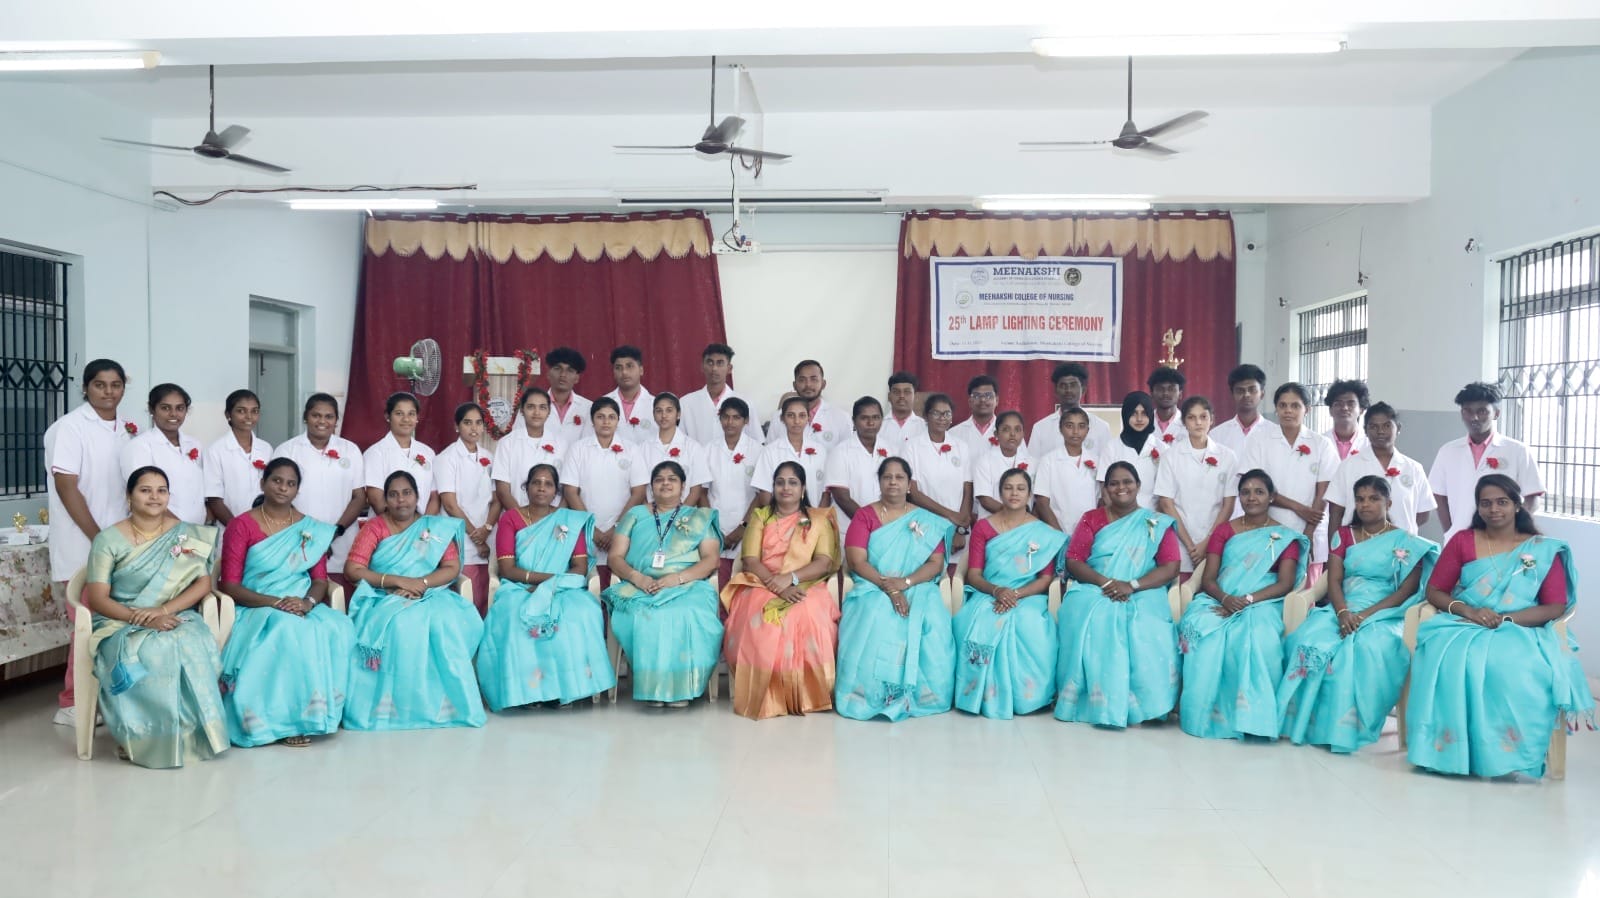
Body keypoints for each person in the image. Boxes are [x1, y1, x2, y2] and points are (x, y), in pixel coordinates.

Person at [1406, 474, 1592, 778]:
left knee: (1508, 665)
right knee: (1449, 658)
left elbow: (1554, 606)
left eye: (1502, 502)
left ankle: (1509, 752)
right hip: (1465, 623)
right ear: (1478, 507)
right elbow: (1435, 590)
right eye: (1486, 503)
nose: (1494, 509)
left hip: (1522, 628)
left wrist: (1506, 619)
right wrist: (1469, 611)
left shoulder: (1542, 549)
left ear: (1517, 505)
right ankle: (1451, 750)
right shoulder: (1463, 541)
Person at [1276, 476, 1437, 753]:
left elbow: (1405, 592)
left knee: (1364, 648)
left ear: (1388, 503)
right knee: (1308, 640)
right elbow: (1334, 580)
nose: (1365, 505)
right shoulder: (1344, 535)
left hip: (1386, 613)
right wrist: (1342, 612)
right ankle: (1305, 723)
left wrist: (1364, 616)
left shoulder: (1406, 541)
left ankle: (1346, 727)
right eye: (1360, 499)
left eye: (1373, 499)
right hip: (1343, 607)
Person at [81, 466, 228, 767]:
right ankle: (142, 737)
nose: (154, 497)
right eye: (145, 490)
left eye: (161, 490)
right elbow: (97, 598)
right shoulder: (108, 540)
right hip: (119, 620)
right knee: (153, 649)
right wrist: (144, 618)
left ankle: (191, 733)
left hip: (173, 613)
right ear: (129, 496)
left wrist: (162, 611)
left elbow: (202, 583)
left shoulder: (184, 533)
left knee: (191, 641)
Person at [216, 458, 355, 748]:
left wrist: (307, 603)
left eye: (291, 484)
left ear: (297, 490)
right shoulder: (242, 525)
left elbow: (319, 580)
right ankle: (285, 721)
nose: (283, 488)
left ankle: (325, 712)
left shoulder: (310, 528)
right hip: (258, 604)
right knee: (290, 630)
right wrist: (276, 602)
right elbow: (229, 585)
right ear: (263, 483)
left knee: (339, 626)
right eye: (277, 480)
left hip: (300, 602)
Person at [342, 471, 485, 730]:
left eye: (407, 493)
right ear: (385, 499)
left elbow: (452, 567)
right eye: (393, 495)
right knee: (401, 624)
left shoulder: (434, 528)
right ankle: (395, 710)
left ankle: (447, 708)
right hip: (384, 595)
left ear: (417, 496)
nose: (401, 500)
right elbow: (353, 569)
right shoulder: (375, 527)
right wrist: (397, 581)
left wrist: (421, 583)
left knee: (445, 622)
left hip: (430, 592)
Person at [1177, 469, 1309, 740]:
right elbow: (1209, 578)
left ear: (1271, 497)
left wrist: (1246, 601)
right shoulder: (1224, 531)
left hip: (1264, 601)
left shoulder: (1285, 536)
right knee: (1201, 628)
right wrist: (1226, 599)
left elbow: (1285, 583)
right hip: (1220, 596)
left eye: (1259, 492)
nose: (1251, 497)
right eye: (1246, 492)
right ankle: (1202, 714)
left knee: (1258, 636)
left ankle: (1255, 718)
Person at [476, 464, 615, 710]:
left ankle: (565, 690)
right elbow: (507, 569)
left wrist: (550, 585)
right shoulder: (511, 518)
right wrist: (541, 582)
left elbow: (580, 567)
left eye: (548, 484)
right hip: (520, 588)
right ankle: (529, 691)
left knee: (581, 612)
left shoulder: (569, 520)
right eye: (536, 483)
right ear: (526, 488)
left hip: (562, 588)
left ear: (556, 492)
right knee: (514, 614)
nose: (542, 488)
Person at [1056, 461, 1183, 727]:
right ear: (1105, 489)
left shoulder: (1155, 522)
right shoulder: (1091, 518)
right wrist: (1106, 582)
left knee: (1144, 621)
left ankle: (1148, 703)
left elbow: (1171, 566)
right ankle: (1097, 702)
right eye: (1114, 483)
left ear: (1138, 485)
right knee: (1092, 613)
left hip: (1143, 589)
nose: (1121, 488)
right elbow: (1074, 559)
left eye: (1127, 482)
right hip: (1095, 586)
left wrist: (1132, 585)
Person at [46, 359, 137, 726]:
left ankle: (107, 697)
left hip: (121, 545)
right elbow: (67, 488)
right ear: (85, 388)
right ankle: (72, 702)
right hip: (84, 545)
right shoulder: (69, 428)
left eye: (116, 385)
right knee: (87, 625)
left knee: (113, 626)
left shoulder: (127, 429)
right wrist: (100, 539)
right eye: (100, 385)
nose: (108, 392)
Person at [834, 457, 956, 721]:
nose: (893, 482)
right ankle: (866, 694)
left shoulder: (926, 520)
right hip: (873, 585)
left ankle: (925, 695)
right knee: (875, 614)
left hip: (917, 584)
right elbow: (857, 561)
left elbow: (935, 563)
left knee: (932, 619)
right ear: (879, 482)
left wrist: (906, 583)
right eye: (887, 477)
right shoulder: (864, 516)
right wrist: (889, 587)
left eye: (899, 477)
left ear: (909, 484)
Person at [720, 462, 840, 719]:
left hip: (805, 582)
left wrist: (791, 578)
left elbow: (823, 562)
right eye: (780, 482)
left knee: (807, 612)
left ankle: (807, 693)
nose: (786, 488)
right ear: (773, 487)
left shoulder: (818, 519)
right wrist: (776, 584)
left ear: (803, 488)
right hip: (761, 582)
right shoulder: (761, 516)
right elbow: (750, 559)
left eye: (793, 482)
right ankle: (766, 692)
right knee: (760, 616)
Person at [602, 461, 724, 707]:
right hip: (639, 586)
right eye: (659, 479)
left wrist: (677, 579)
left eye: (672, 479)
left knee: (685, 613)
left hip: (687, 585)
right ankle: (653, 688)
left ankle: (682, 688)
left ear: (683, 486)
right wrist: (638, 578)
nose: (665, 483)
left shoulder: (698, 517)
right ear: (651, 486)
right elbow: (615, 557)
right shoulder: (635, 515)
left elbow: (711, 559)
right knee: (645, 614)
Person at [953, 467, 1065, 719]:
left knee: (1028, 623)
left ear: (1029, 494)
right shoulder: (983, 527)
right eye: (1008, 488)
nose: (1014, 493)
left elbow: (1045, 578)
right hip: (988, 593)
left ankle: (1029, 698)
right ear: (1000, 492)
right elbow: (974, 575)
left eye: (1021, 488)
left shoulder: (1042, 531)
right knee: (977, 619)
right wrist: (997, 590)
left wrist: (1015, 594)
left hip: (1028, 595)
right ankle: (978, 695)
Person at [1240, 383, 1337, 581]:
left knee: (1306, 591)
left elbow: (1323, 493)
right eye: (1283, 405)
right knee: (1268, 586)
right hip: (1267, 527)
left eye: (1295, 406)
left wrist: (1308, 533)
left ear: (1307, 409)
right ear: (1276, 408)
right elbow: (1255, 489)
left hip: (1311, 527)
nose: (1288, 411)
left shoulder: (1321, 444)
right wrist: (1298, 508)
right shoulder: (1259, 440)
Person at [1429, 381, 1545, 540]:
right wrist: (1450, 530)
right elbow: (1439, 495)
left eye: (1482, 411)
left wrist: (1514, 529)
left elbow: (1532, 497)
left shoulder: (1517, 450)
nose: (1474, 417)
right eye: (1468, 411)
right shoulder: (1448, 451)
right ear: (1462, 414)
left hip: (1504, 539)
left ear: (1496, 413)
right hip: (1459, 538)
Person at [277, 394, 366, 591]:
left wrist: (334, 532)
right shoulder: (287, 450)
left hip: (342, 538)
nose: (322, 421)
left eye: (329, 416)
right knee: (300, 591)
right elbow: (279, 499)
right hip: (298, 538)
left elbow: (359, 496)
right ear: (305, 417)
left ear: (336, 421)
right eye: (316, 415)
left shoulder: (350, 450)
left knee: (342, 593)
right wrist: (311, 534)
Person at [560, 396, 648, 588]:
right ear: (592, 421)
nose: (606, 422)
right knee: (589, 584)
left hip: (624, 528)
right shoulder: (578, 449)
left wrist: (618, 528)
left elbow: (639, 492)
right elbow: (570, 491)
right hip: (586, 529)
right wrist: (592, 529)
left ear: (618, 421)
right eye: (600, 417)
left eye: (611, 417)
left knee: (620, 583)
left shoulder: (632, 450)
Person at [1154, 397, 1238, 576]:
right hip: (1180, 540)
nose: (1198, 422)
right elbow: (1166, 504)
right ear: (1184, 422)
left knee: (1213, 584)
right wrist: (1191, 546)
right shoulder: (1171, 456)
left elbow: (1228, 505)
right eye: (1191, 417)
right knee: (1181, 589)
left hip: (1215, 538)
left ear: (1212, 419)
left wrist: (1207, 542)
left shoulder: (1228, 457)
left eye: (1203, 417)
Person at [1325, 402, 1435, 534]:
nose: (1380, 431)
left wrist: (1396, 530)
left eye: (1387, 426)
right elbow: (1336, 513)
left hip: (1401, 543)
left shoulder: (1413, 468)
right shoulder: (1348, 466)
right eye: (1373, 426)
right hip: (1359, 542)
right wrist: (1334, 545)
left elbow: (1423, 513)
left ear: (1398, 428)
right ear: (1365, 430)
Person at [435, 402, 500, 614]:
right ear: (457, 426)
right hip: (462, 538)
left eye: (479, 423)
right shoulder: (446, 458)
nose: (474, 428)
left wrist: (487, 529)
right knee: (467, 598)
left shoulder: (489, 457)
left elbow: (497, 499)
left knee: (488, 597)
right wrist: (476, 537)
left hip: (487, 535)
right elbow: (450, 504)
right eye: (467, 423)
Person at [120, 383, 205, 524]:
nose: (173, 414)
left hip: (196, 529)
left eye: (180, 408)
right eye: (165, 408)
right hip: (158, 529)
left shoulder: (194, 444)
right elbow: (144, 496)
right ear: (151, 409)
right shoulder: (139, 447)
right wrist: (181, 528)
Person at [903, 393, 974, 563]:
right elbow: (913, 493)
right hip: (924, 525)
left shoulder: (961, 446)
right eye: (936, 413)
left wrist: (960, 529)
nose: (942, 418)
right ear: (926, 416)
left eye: (947, 413)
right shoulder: (912, 447)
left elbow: (967, 490)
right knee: (927, 568)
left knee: (955, 574)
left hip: (956, 529)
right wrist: (950, 515)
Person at [707, 398, 760, 586]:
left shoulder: (758, 450)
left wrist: (743, 527)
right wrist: (713, 526)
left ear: (746, 421)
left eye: (736, 418)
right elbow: (702, 492)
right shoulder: (708, 450)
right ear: (719, 418)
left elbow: (761, 496)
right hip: (715, 527)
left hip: (748, 526)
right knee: (716, 581)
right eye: (726, 417)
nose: (730, 422)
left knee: (744, 581)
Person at [362, 391, 439, 516]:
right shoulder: (375, 453)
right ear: (388, 416)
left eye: (411, 414)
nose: (406, 419)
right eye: (399, 413)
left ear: (417, 417)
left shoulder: (428, 452)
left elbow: (434, 497)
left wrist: (422, 524)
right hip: (387, 526)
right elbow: (376, 499)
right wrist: (400, 525)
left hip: (423, 526)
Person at [491, 386, 567, 510]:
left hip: (553, 517)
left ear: (549, 411)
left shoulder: (562, 444)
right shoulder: (507, 443)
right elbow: (502, 490)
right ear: (522, 410)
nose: (537, 413)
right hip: (516, 515)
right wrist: (522, 518)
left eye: (542, 407)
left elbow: (567, 488)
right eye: (531, 407)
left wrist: (554, 517)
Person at [204, 388, 273, 525]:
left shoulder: (266, 448)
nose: (249, 416)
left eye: (254, 411)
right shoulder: (216, 450)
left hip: (264, 526)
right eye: (241, 411)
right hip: (230, 526)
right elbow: (214, 498)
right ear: (228, 414)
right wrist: (237, 529)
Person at [1032, 408, 1102, 541]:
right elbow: (1042, 502)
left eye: (1081, 426)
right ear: (1060, 429)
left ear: (1087, 430)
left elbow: (1100, 501)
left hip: (1089, 534)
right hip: (1057, 533)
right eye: (1069, 426)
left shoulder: (1096, 461)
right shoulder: (1048, 461)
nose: (1075, 431)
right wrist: (1060, 536)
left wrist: (1092, 531)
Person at [752, 395, 831, 507]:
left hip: (813, 514)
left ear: (808, 418)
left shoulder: (820, 450)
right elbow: (765, 493)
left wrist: (817, 516)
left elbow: (826, 491)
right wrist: (779, 515)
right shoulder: (770, 451)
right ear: (782, 418)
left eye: (802, 415)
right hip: (780, 515)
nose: (796, 421)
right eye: (791, 415)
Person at [825, 397, 888, 536]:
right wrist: (871, 524)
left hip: (886, 528)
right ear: (854, 421)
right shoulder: (840, 452)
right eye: (864, 418)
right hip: (849, 529)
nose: (871, 423)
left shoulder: (892, 449)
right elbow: (842, 498)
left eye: (876, 417)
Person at [681, 342, 763, 445]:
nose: (714, 368)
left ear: (729, 368)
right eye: (710, 363)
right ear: (702, 367)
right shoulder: (686, 403)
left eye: (720, 363)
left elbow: (757, 442)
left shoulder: (745, 402)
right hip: (697, 456)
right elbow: (680, 443)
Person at [641, 392, 712, 507]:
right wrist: (651, 513)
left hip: (685, 514)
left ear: (678, 414)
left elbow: (696, 489)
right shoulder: (643, 448)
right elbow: (640, 488)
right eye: (659, 411)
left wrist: (681, 514)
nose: (664, 415)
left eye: (669, 410)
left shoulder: (693, 447)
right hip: (652, 514)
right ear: (653, 415)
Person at [1028, 363, 1112, 458]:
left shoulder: (1101, 427)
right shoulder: (1041, 428)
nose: (1068, 390)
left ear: (1083, 390)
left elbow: (1107, 464)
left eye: (1073, 385)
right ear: (1055, 391)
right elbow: (1032, 464)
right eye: (1063, 386)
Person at [765, 359, 852, 449]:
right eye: (802, 380)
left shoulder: (841, 417)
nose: (808, 385)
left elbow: (848, 453)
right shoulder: (778, 417)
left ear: (823, 384)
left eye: (814, 379)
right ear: (794, 385)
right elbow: (770, 451)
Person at [1100, 391, 1157, 509]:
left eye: (1144, 413)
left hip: (1153, 516)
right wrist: (1119, 517)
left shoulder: (1162, 449)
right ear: (1126, 415)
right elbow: (1105, 490)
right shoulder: (1111, 447)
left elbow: (1166, 494)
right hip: (1120, 516)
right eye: (1134, 413)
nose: (1139, 419)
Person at [972, 410, 1032, 520]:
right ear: (996, 434)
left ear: (1023, 434)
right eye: (1006, 429)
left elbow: (1035, 500)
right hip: (992, 522)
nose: (1012, 434)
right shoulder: (984, 461)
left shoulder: (1032, 462)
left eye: (1017, 429)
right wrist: (1015, 515)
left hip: (1024, 524)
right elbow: (985, 499)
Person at [1209, 364, 1267, 459]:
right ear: (1232, 394)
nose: (1246, 395)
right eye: (1240, 390)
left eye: (1252, 390)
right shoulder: (1217, 435)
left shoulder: (1275, 433)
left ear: (1262, 393)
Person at [604, 344, 655, 446]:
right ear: (613, 373)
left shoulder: (656, 405)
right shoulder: (602, 404)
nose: (624, 372)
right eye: (618, 368)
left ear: (641, 370)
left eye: (629, 366)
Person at [544, 346, 594, 443]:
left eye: (570, 370)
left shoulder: (589, 408)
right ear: (548, 374)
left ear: (577, 378)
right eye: (557, 368)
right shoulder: (531, 405)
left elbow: (591, 443)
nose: (563, 374)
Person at [948, 375, 1000, 458]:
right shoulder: (953, 434)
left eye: (988, 395)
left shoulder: (1010, 433)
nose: (982, 400)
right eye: (976, 396)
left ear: (996, 400)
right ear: (970, 402)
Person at [1322, 379, 1371, 461]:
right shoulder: (1320, 442)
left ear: (1361, 410)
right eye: (1338, 404)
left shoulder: (1370, 444)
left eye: (1351, 404)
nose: (1344, 408)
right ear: (1330, 410)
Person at [879, 371, 927, 449]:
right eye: (896, 392)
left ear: (916, 396)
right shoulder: (879, 426)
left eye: (907, 392)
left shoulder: (924, 427)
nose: (901, 396)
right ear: (889, 396)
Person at [1146, 367, 1186, 443]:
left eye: (1171, 389)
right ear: (1151, 394)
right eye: (1160, 389)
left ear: (1180, 394)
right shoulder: (1143, 422)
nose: (1165, 393)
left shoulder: (1187, 424)